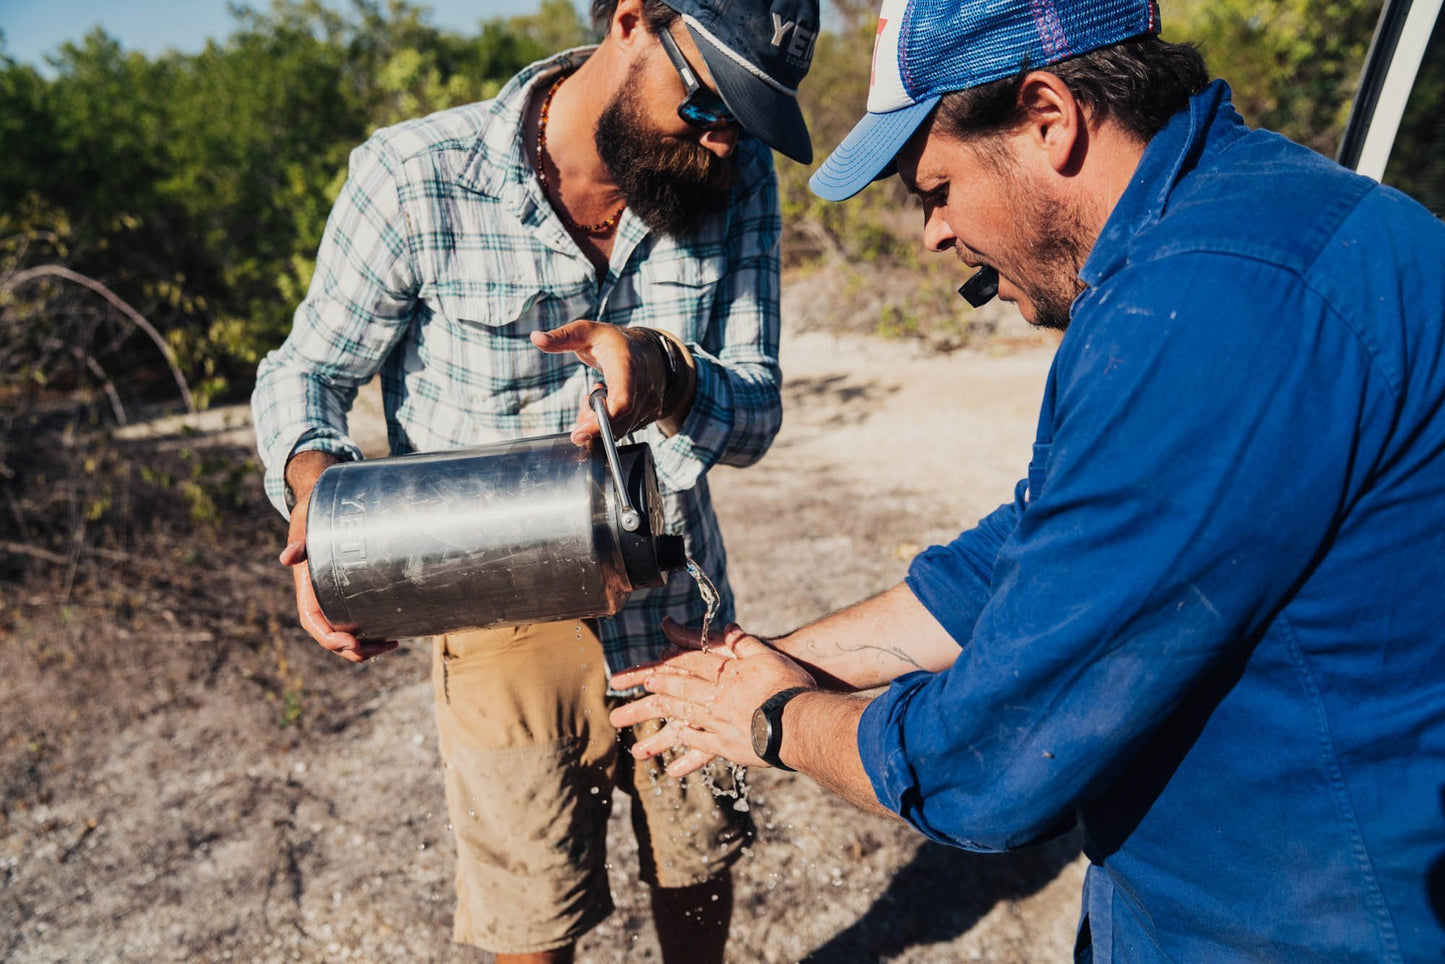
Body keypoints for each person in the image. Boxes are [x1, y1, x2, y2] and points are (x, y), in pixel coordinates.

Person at [608, 0, 1445, 958]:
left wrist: (773, 719)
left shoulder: (1216, 302)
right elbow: (1033, 549)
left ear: (1048, 116)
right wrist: (782, 658)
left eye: (937, 186)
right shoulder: (1224, 225)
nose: (933, 233)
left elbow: (995, 761)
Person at [250, 0, 820, 959]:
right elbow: (304, 372)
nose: (723, 145)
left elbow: (755, 409)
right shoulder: (415, 177)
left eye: (747, 121)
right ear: (632, 22)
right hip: (495, 611)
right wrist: (319, 494)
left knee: (696, 863)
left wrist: (670, 373)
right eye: (707, 106)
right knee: (530, 911)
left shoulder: (738, 174)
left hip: (675, 596)